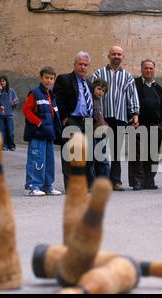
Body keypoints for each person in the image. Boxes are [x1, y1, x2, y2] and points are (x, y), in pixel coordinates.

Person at [92, 46, 140, 191]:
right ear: (109, 56)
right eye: (114, 54)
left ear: (122, 57)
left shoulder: (127, 76)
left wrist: (135, 114)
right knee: (99, 150)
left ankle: (116, 181)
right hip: (102, 116)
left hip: (120, 116)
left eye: (119, 54)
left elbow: (132, 96)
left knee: (116, 152)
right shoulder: (98, 73)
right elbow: (92, 93)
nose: (116, 56)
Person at [53, 52, 95, 189]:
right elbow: (58, 99)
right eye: (80, 64)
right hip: (72, 120)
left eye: (85, 65)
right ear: (75, 65)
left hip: (87, 122)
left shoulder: (89, 83)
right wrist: (64, 118)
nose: (83, 67)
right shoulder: (64, 79)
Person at [22, 66, 62, 196]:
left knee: (49, 161)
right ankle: (34, 186)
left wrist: (57, 129)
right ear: (41, 78)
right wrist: (38, 122)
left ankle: (47, 186)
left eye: (51, 78)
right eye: (46, 78)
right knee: (36, 160)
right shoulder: (34, 93)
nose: (48, 81)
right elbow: (26, 110)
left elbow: (55, 115)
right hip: (37, 134)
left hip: (48, 134)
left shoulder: (52, 95)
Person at [128, 59, 162, 190]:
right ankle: (137, 180)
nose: (148, 70)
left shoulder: (158, 88)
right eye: (146, 68)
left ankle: (149, 180)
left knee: (153, 155)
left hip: (155, 125)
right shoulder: (135, 84)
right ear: (141, 69)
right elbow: (129, 102)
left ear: (154, 70)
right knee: (137, 155)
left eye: (151, 68)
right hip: (138, 125)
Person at [91, 78, 110, 179]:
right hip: (93, 132)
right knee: (93, 159)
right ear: (93, 88)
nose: (101, 92)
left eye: (103, 91)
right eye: (99, 89)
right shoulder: (91, 100)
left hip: (101, 133)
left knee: (102, 158)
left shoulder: (99, 101)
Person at [0, 76, 19, 151]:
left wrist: (14, 102)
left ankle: (11, 145)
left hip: (9, 114)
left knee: (10, 131)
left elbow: (16, 100)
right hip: (0, 115)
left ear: (6, 82)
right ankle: (3, 145)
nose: (2, 82)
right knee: (1, 132)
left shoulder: (11, 91)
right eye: (1, 81)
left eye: (4, 81)